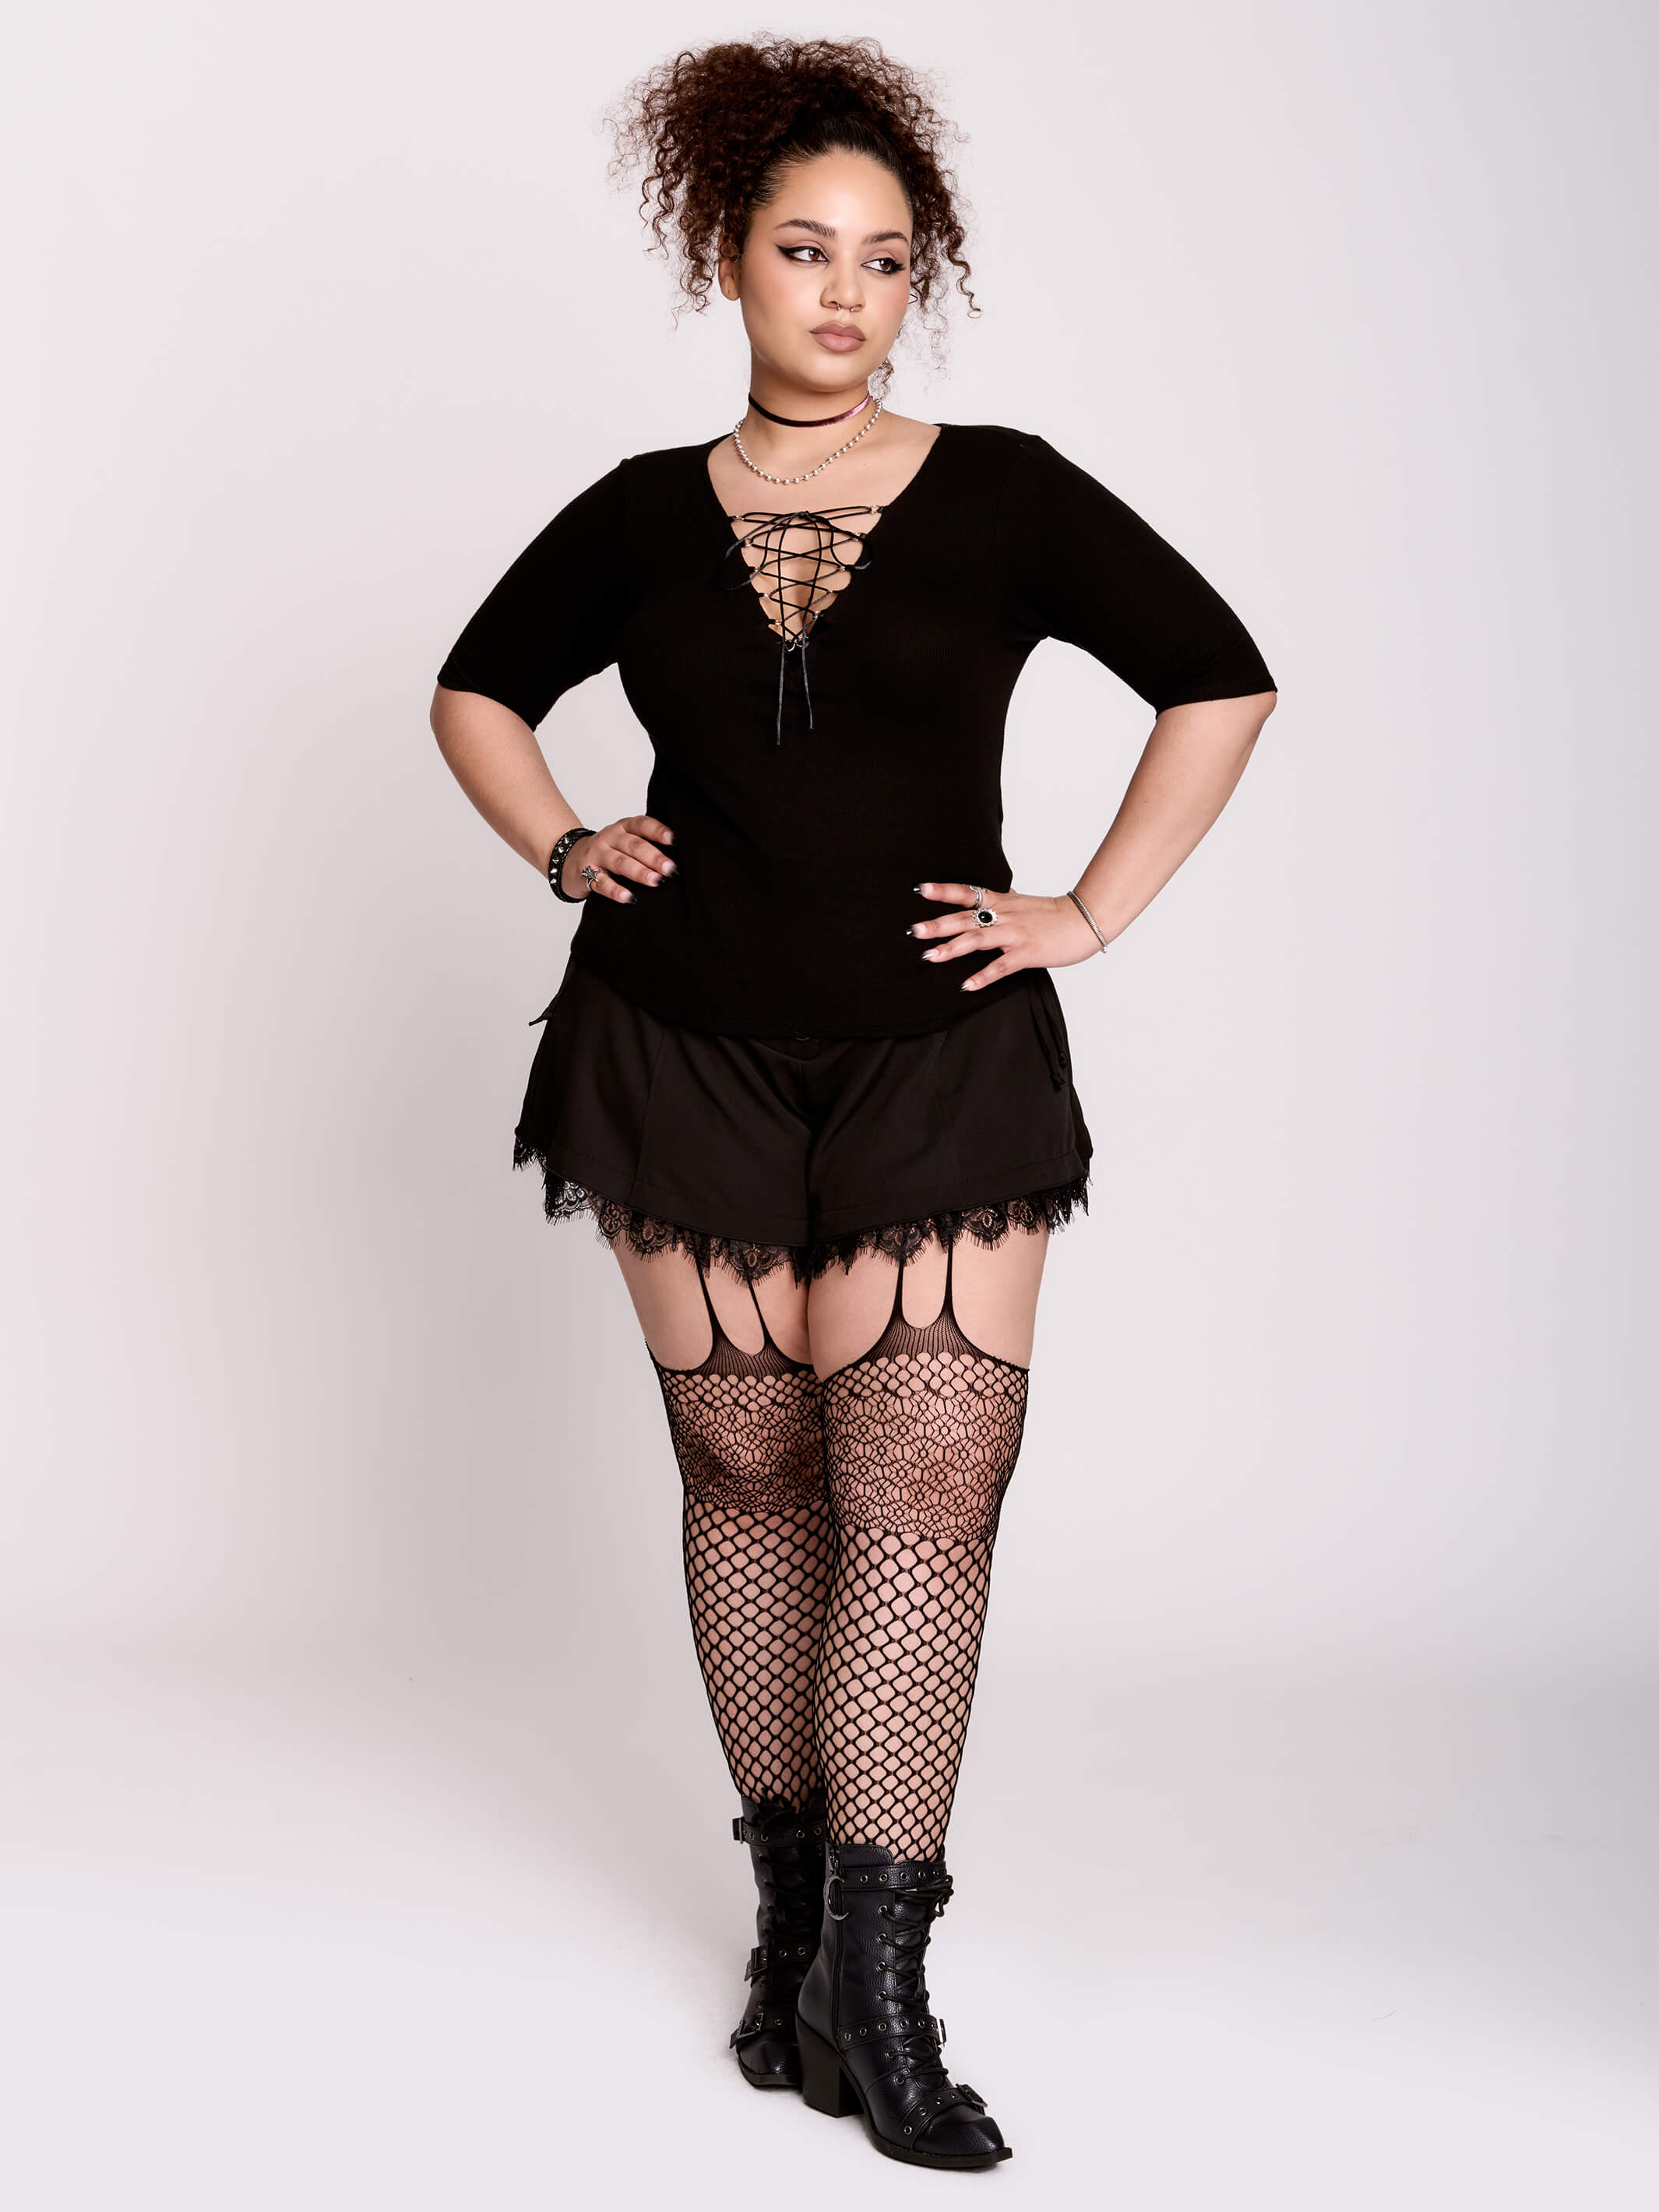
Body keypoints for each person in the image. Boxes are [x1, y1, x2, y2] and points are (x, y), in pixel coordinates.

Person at [430, 33, 1275, 2173]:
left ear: (921, 281)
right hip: (678, 1040)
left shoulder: (1004, 492)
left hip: (939, 1053)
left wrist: (1088, 908)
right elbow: (475, 689)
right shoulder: (639, 514)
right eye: (805, 250)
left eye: (886, 259)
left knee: (922, 1492)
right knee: (748, 1476)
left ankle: (879, 1988)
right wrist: (562, 842)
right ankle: (787, 1933)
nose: (845, 292)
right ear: (728, 260)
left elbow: (1218, 675)